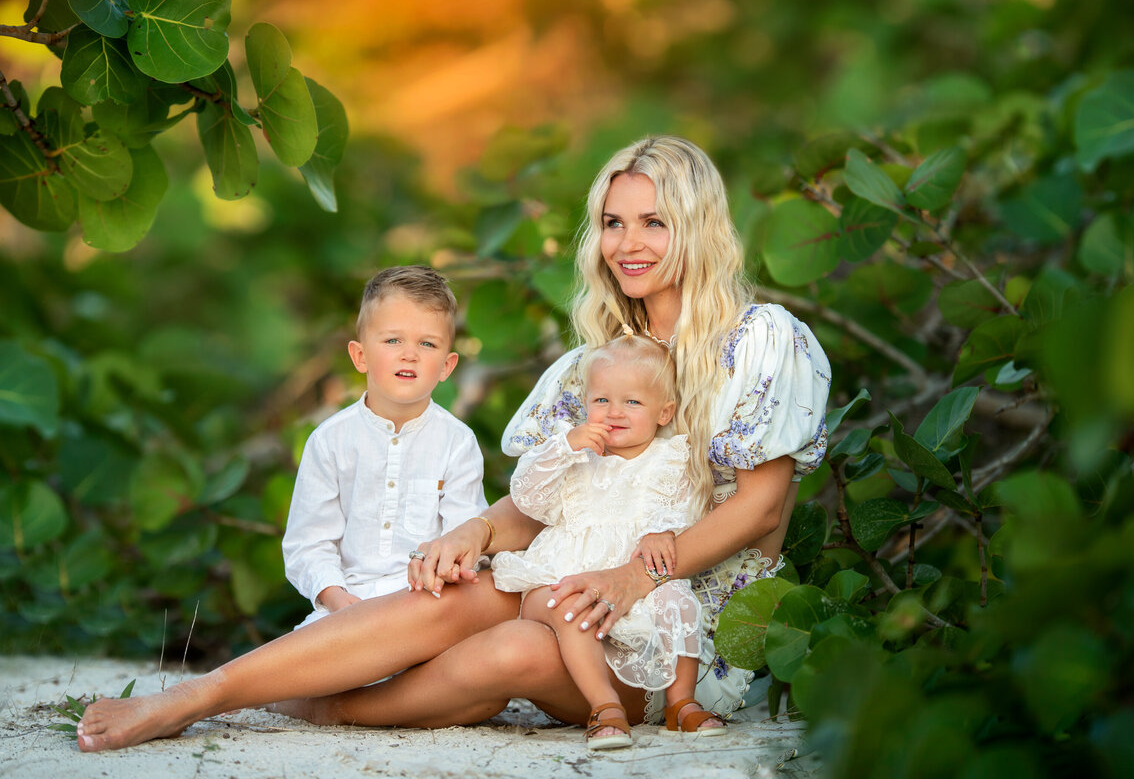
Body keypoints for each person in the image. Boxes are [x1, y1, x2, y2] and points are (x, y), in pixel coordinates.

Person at [76, 135, 830, 752]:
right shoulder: (598, 361)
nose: (627, 244)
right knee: (463, 585)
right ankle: (199, 696)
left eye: (653, 222)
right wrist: (475, 530)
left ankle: (322, 709)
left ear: (697, 225)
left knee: (513, 653)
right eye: (612, 222)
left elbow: (760, 511)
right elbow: (545, 504)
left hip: (680, 628)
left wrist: (632, 578)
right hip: (571, 587)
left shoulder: (760, 342)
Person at [492, 330, 723, 749]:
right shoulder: (578, 460)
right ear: (586, 405)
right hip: (569, 575)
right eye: (602, 401)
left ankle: (682, 703)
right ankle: (605, 706)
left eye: (632, 402)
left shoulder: (671, 458)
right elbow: (527, 496)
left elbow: (691, 505)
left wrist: (663, 531)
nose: (614, 412)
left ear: (664, 411)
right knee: (571, 607)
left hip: (634, 582)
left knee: (677, 599)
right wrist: (563, 447)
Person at [282, 265, 488, 629]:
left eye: (427, 343)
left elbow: (463, 533)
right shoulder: (330, 440)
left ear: (447, 365)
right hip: (347, 601)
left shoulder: (457, 443)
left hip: (427, 600)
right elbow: (308, 542)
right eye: (393, 340)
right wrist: (336, 597)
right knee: (307, 661)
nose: (409, 354)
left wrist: (444, 569)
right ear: (360, 356)